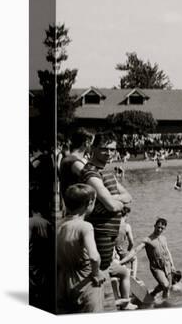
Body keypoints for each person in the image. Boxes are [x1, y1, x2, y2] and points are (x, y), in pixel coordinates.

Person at [81, 133, 132, 272]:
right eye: (105, 149)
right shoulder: (90, 172)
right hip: (100, 230)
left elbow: (129, 197)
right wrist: (112, 201)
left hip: (110, 231)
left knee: (107, 269)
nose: (109, 153)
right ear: (94, 148)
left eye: (112, 149)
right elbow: (111, 205)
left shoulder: (106, 172)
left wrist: (110, 197)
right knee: (98, 271)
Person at [57, 184, 106, 313]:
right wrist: (96, 274)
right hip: (84, 282)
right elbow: (94, 257)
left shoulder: (58, 225)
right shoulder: (85, 226)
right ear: (89, 203)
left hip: (62, 281)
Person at [130, 218, 177, 299]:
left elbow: (168, 251)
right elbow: (136, 250)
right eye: (158, 227)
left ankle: (154, 294)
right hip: (156, 268)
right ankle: (164, 304)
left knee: (167, 287)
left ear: (164, 229)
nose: (159, 229)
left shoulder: (164, 238)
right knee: (165, 286)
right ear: (154, 226)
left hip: (167, 265)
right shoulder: (148, 240)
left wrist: (172, 265)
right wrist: (124, 260)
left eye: (162, 228)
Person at [59, 128, 95, 201]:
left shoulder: (69, 159)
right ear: (87, 142)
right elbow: (94, 184)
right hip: (76, 207)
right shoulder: (74, 162)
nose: (93, 146)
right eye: (93, 143)